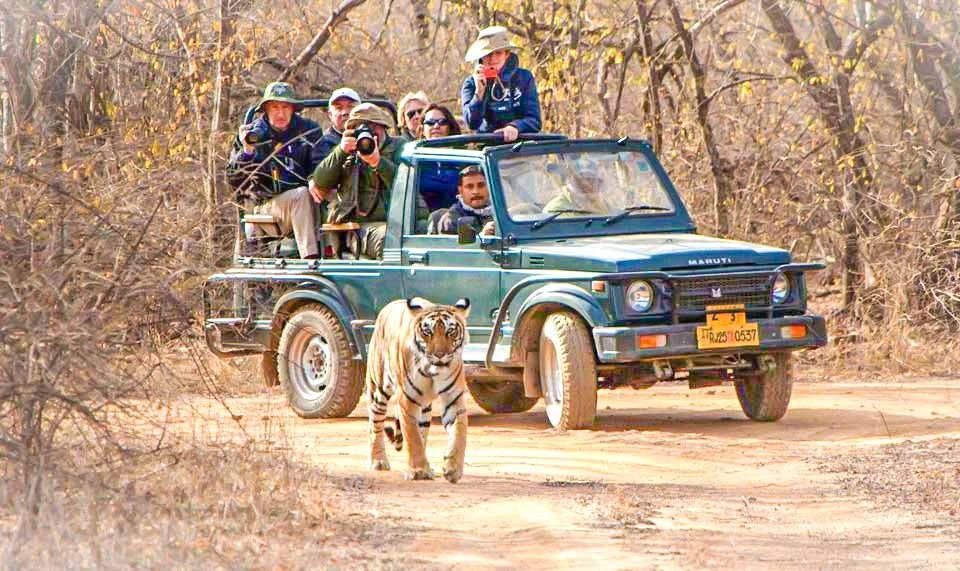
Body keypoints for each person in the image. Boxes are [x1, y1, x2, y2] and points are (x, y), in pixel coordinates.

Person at [311, 103, 428, 258]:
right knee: (390, 241)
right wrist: (340, 152)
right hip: (360, 228)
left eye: (373, 127)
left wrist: (378, 162)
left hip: (402, 221)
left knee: (432, 233)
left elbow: (409, 183)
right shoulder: (347, 152)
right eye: (360, 128)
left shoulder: (400, 146)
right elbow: (320, 182)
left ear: (383, 127)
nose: (368, 134)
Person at [227, 81, 322, 258]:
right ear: (266, 109)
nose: (280, 113)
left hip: (305, 203)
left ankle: (334, 254)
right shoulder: (253, 134)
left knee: (318, 193)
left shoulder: (309, 131)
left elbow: (319, 162)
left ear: (293, 109)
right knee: (300, 195)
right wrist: (247, 151)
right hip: (266, 209)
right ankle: (311, 260)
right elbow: (234, 183)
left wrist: (314, 178)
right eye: (275, 107)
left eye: (285, 107)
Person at [461, 26, 541, 141]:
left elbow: (534, 120)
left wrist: (515, 127)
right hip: (487, 148)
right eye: (487, 54)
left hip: (522, 148)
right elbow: (472, 123)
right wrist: (479, 94)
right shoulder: (470, 84)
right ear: (481, 56)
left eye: (498, 53)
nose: (492, 59)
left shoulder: (524, 78)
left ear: (507, 54)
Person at [417, 104, 463, 210]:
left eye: (442, 122)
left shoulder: (463, 158)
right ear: (422, 130)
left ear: (450, 127)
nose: (436, 126)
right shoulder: (415, 159)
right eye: (430, 123)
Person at [428, 166, 496, 237]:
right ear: (461, 190)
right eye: (469, 186)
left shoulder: (501, 212)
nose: (476, 191)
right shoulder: (451, 219)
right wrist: (482, 237)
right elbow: (451, 246)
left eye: (481, 185)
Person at [312, 86, 362, 163]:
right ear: (330, 115)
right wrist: (341, 151)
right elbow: (319, 173)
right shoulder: (321, 144)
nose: (345, 112)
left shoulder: (374, 137)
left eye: (351, 106)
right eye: (339, 108)